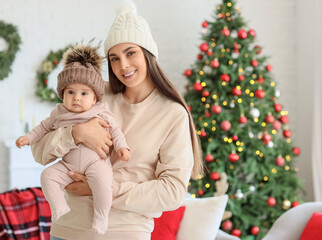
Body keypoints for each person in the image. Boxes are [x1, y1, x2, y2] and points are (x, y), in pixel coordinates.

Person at [31, 1, 203, 240]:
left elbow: (173, 192)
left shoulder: (172, 114)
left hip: (125, 233)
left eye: (131, 53)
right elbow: (39, 152)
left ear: (148, 53)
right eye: (114, 58)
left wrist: (101, 188)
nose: (123, 65)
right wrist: (75, 134)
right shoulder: (92, 95)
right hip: (66, 231)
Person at [16, 43, 130, 235]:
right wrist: (27, 138)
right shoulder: (59, 112)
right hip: (68, 165)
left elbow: (116, 130)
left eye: (84, 93)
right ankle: (59, 206)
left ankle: (101, 217)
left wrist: (122, 148)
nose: (76, 98)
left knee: (103, 185)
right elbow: (43, 128)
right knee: (47, 176)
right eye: (70, 92)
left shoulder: (101, 111)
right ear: (62, 95)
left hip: (96, 161)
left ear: (94, 98)